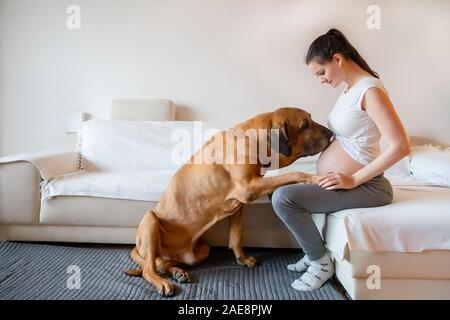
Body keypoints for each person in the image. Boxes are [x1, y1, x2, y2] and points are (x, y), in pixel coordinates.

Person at [269, 28, 411, 291]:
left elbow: (401, 146)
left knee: (283, 198)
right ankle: (313, 252)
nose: (321, 80)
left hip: (368, 186)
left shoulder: (370, 91)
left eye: (321, 72)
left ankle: (321, 263)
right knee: (274, 189)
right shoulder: (351, 90)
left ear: (337, 59)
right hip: (351, 182)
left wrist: (353, 178)